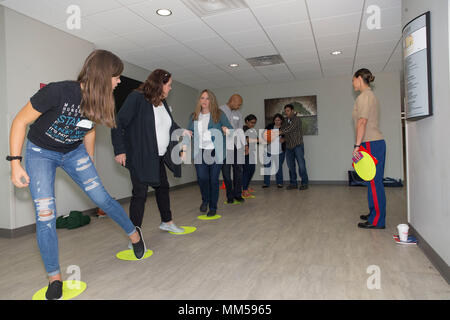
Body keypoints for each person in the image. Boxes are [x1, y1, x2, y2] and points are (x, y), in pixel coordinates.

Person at [8, 50, 146, 300]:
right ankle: (54, 278)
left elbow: (89, 129)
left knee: (101, 198)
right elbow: (19, 122)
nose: (119, 81)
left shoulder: (100, 101)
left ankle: (135, 235)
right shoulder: (58, 91)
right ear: (104, 75)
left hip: (74, 152)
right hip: (40, 153)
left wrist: (89, 157)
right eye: (116, 76)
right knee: (45, 213)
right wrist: (15, 163)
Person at [111, 69, 188, 242]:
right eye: (169, 85)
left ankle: (167, 222)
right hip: (139, 156)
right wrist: (119, 150)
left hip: (157, 156)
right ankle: (135, 237)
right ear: (159, 84)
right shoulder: (137, 98)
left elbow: (170, 124)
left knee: (163, 187)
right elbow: (118, 123)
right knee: (140, 194)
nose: (170, 89)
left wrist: (183, 131)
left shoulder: (162, 103)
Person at [186, 89, 233, 216]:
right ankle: (205, 200)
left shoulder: (219, 114)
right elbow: (189, 132)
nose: (204, 101)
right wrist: (187, 138)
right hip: (199, 152)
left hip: (215, 151)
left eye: (207, 98)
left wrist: (226, 130)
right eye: (202, 98)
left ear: (211, 101)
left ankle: (213, 207)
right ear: (199, 100)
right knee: (202, 178)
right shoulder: (194, 116)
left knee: (213, 180)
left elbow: (231, 130)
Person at [352, 68, 386, 229]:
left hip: (371, 143)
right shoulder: (368, 96)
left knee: (374, 182)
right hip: (370, 143)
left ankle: (377, 220)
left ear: (359, 78)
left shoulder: (364, 97)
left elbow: (362, 122)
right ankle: (373, 213)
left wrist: (357, 146)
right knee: (371, 180)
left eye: (353, 80)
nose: (352, 83)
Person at [220, 94, 246, 204]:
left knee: (238, 170)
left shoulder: (238, 114)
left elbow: (240, 131)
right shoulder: (219, 110)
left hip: (236, 145)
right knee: (226, 172)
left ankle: (237, 194)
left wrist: (245, 145)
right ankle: (229, 196)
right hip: (224, 145)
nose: (239, 106)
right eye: (238, 104)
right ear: (232, 100)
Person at [276, 104, 309, 190]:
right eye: (285, 111)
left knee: (301, 165)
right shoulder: (285, 121)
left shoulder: (297, 119)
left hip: (298, 145)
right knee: (291, 166)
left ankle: (304, 183)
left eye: (288, 110)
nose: (286, 112)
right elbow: (282, 130)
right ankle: (293, 183)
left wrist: (279, 133)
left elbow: (290, 129)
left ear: (292, 111)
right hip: (288, 147)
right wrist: (283, 137)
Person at [262, 113, 286, 188]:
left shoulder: (284, 128)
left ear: (281, 120)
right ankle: (266, 183)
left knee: (278, 167)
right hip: (269, 151)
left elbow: (289, 136)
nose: (277, 121)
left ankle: (279, 183)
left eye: (278, 120)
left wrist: (284, 139)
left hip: (279, 152)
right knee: (266, 167)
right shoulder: (269, 126)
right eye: (275, 120)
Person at [242, 114, 258, 198]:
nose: (253, 124)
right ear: (247, 121)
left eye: (254, 123)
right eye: (252, 122)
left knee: (252, 169)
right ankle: (244, 190)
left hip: (251, 153)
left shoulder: (252, 130)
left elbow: (257, 140)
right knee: (246, 171)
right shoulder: (244, 129)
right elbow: (247, 139)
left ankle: (246, 187)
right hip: (245, 153)